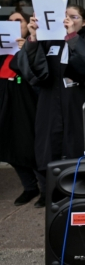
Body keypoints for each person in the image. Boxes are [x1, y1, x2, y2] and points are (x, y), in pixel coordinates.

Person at [17, 5, 85, 208]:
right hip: (51, 103)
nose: (69, 20)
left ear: (84, 22)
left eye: (74, 17)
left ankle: (84, 191)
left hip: (78, 102)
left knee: (79, 147)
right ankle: (50, 191)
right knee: (48, 147)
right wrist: (33, 38)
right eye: (66, 16)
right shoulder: (49, 42)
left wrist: (72, 36)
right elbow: (34, 73)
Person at [0, 11, 41, 206]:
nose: (13, 24)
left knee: (30, 145)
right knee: (9, 145)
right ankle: (29, 187)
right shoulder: (3, 48)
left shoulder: (34, 44)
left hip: (26, 100)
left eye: (18, 21)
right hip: (5, 99)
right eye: (10, 21)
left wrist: (28, 49)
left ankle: (46, 187)